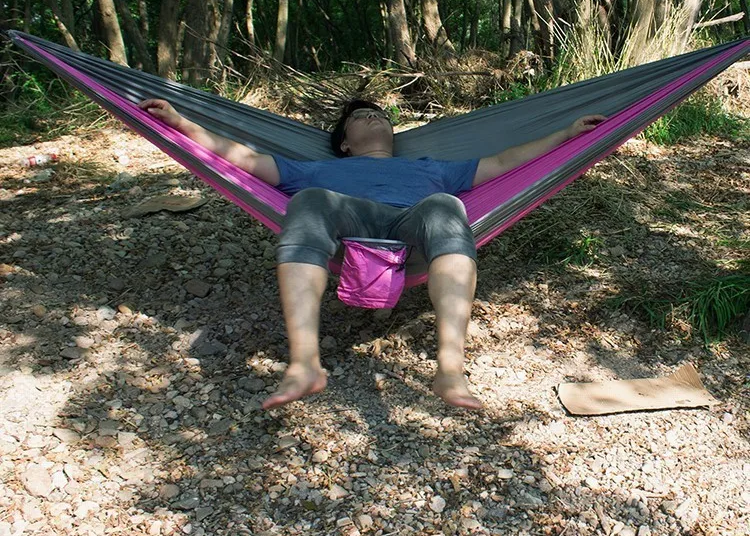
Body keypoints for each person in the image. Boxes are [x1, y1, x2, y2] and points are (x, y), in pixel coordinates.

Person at [139, 97, 605, 410]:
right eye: (360, 117)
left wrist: (564, 134)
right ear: (344, 143)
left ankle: (450, 368)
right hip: (345, 224)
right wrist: (181, 123)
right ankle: (304, 364)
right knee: (309, 199)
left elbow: (504, 163)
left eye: (380, 114)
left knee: (446, 205)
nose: (373, 117)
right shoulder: (313, 168)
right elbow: (238, 157)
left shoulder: (432, 168)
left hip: (415, 225)